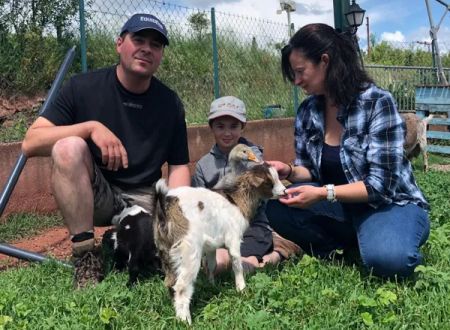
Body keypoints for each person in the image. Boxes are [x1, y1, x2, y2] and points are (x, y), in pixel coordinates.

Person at [21, 13, 191, 286]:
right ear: (119, 43)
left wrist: (174, 213)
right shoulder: (82, 87)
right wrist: (89, 128)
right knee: (68, 146)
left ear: (160, 55)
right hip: (97, 195)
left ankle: (124, 241)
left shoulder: (170, 103)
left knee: (157, 254)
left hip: (143, 198)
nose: (147, 48)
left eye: (156, 45)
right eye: (139, 39)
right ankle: (86, 257)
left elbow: (179, 165)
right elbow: (30, 143)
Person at [265, 23, 430, 278]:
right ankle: (343, 245)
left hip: (388, 204)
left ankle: (386, 233)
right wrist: (288, 170)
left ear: (325, 61)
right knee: (277, 208)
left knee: (389, 259)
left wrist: (322, 193)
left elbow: (380, 186)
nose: (297, 81)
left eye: (300, 71)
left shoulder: (376, 102)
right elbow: (309, 169)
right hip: (341, 205)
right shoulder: (307, 111)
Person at [192, 95, 301, 274]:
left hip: (251, 226)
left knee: (236, 264)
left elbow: (264, 198)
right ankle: (274, 252)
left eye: (233, 126)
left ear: (243, 126)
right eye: (220, 126)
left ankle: (277, 254)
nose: (227, 133)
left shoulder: (254, 161)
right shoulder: (203, 166)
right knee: (213, 263)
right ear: (211, 127)